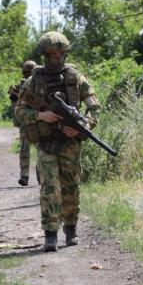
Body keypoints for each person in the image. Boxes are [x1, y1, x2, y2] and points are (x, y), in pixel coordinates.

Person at [14, 32, 100, 252]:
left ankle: (70, 229)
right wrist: (40, 116)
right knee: (49, 188)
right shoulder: (35, 81)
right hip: (45, 143)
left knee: (71, 187)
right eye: (52, 52)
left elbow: (94, 107)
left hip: (71, 144)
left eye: (60, 52)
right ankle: (50, 234)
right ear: (44, 54)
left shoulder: (75, 78)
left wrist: (85, 126)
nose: (56, 56)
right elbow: (20, 113)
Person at [8, 60, 37, 186]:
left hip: (39, 122)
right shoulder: (20, 87)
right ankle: (24, 176)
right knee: (24, 150)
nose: (27, 75)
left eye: (29, 72)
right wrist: (15, 97)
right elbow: (16, 108)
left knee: (41, 150)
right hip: (26, 123)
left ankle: (41, 175)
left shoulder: (40, 85)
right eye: (26, 73)